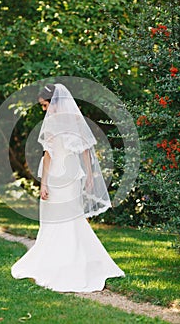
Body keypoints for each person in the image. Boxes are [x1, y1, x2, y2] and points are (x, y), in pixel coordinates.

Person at [11, 83, 125, 293]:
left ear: (54, 102)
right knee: (72, 216)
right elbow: (85, 150)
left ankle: (61, 261)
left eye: (45, 105)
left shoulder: (52, 123)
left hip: (58, 174)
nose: (45, 110)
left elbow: (48, 155)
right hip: (73, 175)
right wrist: (89, 175)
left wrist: (43, 183)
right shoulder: (74, 118)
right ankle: (75, 258)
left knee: (59, 217)